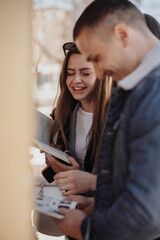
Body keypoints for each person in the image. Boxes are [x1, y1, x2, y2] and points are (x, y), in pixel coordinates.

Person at [54, 1, 160, 240]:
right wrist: (101, 206)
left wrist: (86, 229)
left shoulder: (153, 92)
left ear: (122, 35)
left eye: (97, 58)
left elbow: (146, 215)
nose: (99, 74)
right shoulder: (131, 87)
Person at [45, 42, 111, 196]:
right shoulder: (61, 114)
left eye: (85, 73)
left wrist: (81, 177)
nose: (76, 80)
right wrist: (57, 161)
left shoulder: (120, 118)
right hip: (68, 202)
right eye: (70, 73)